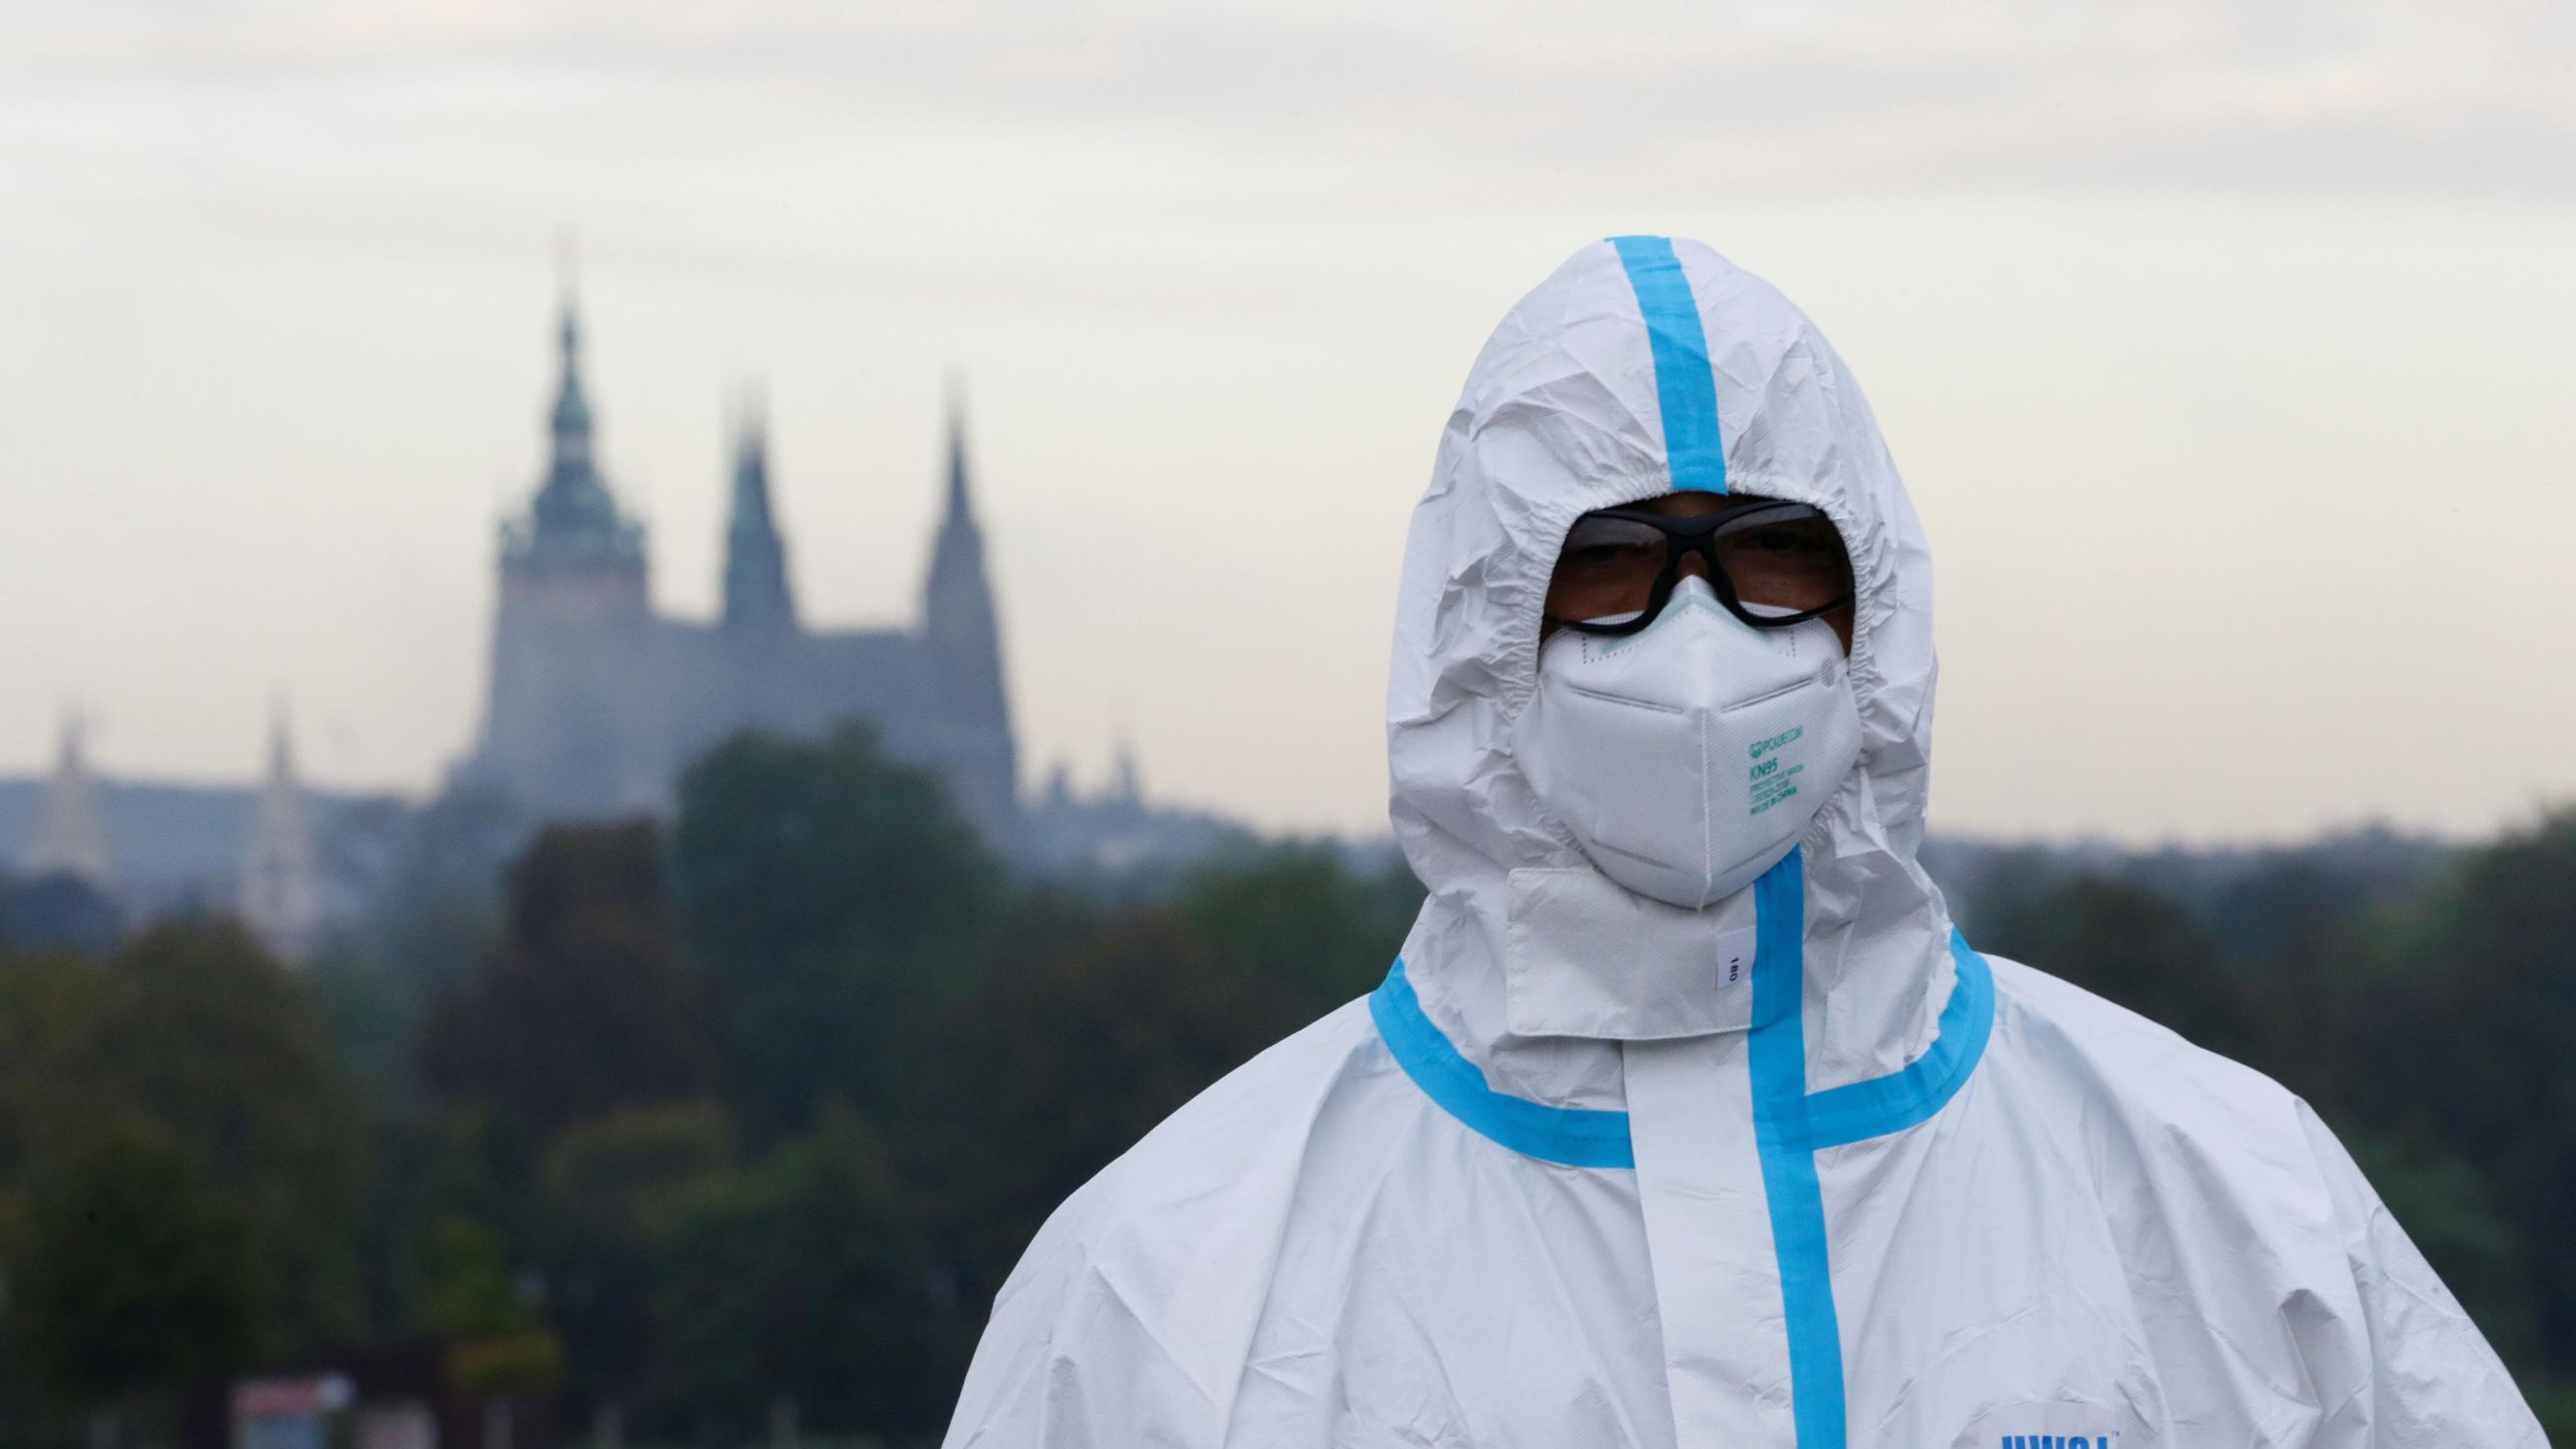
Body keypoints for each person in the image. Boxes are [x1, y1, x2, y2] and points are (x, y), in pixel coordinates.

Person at [940, 237, 2542, 1446]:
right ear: (1479, 624)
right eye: (1613, 564)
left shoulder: (2236, 1204)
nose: (1698, 636)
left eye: (1774, 556)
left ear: (1875, 612)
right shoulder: (1168, 1285)